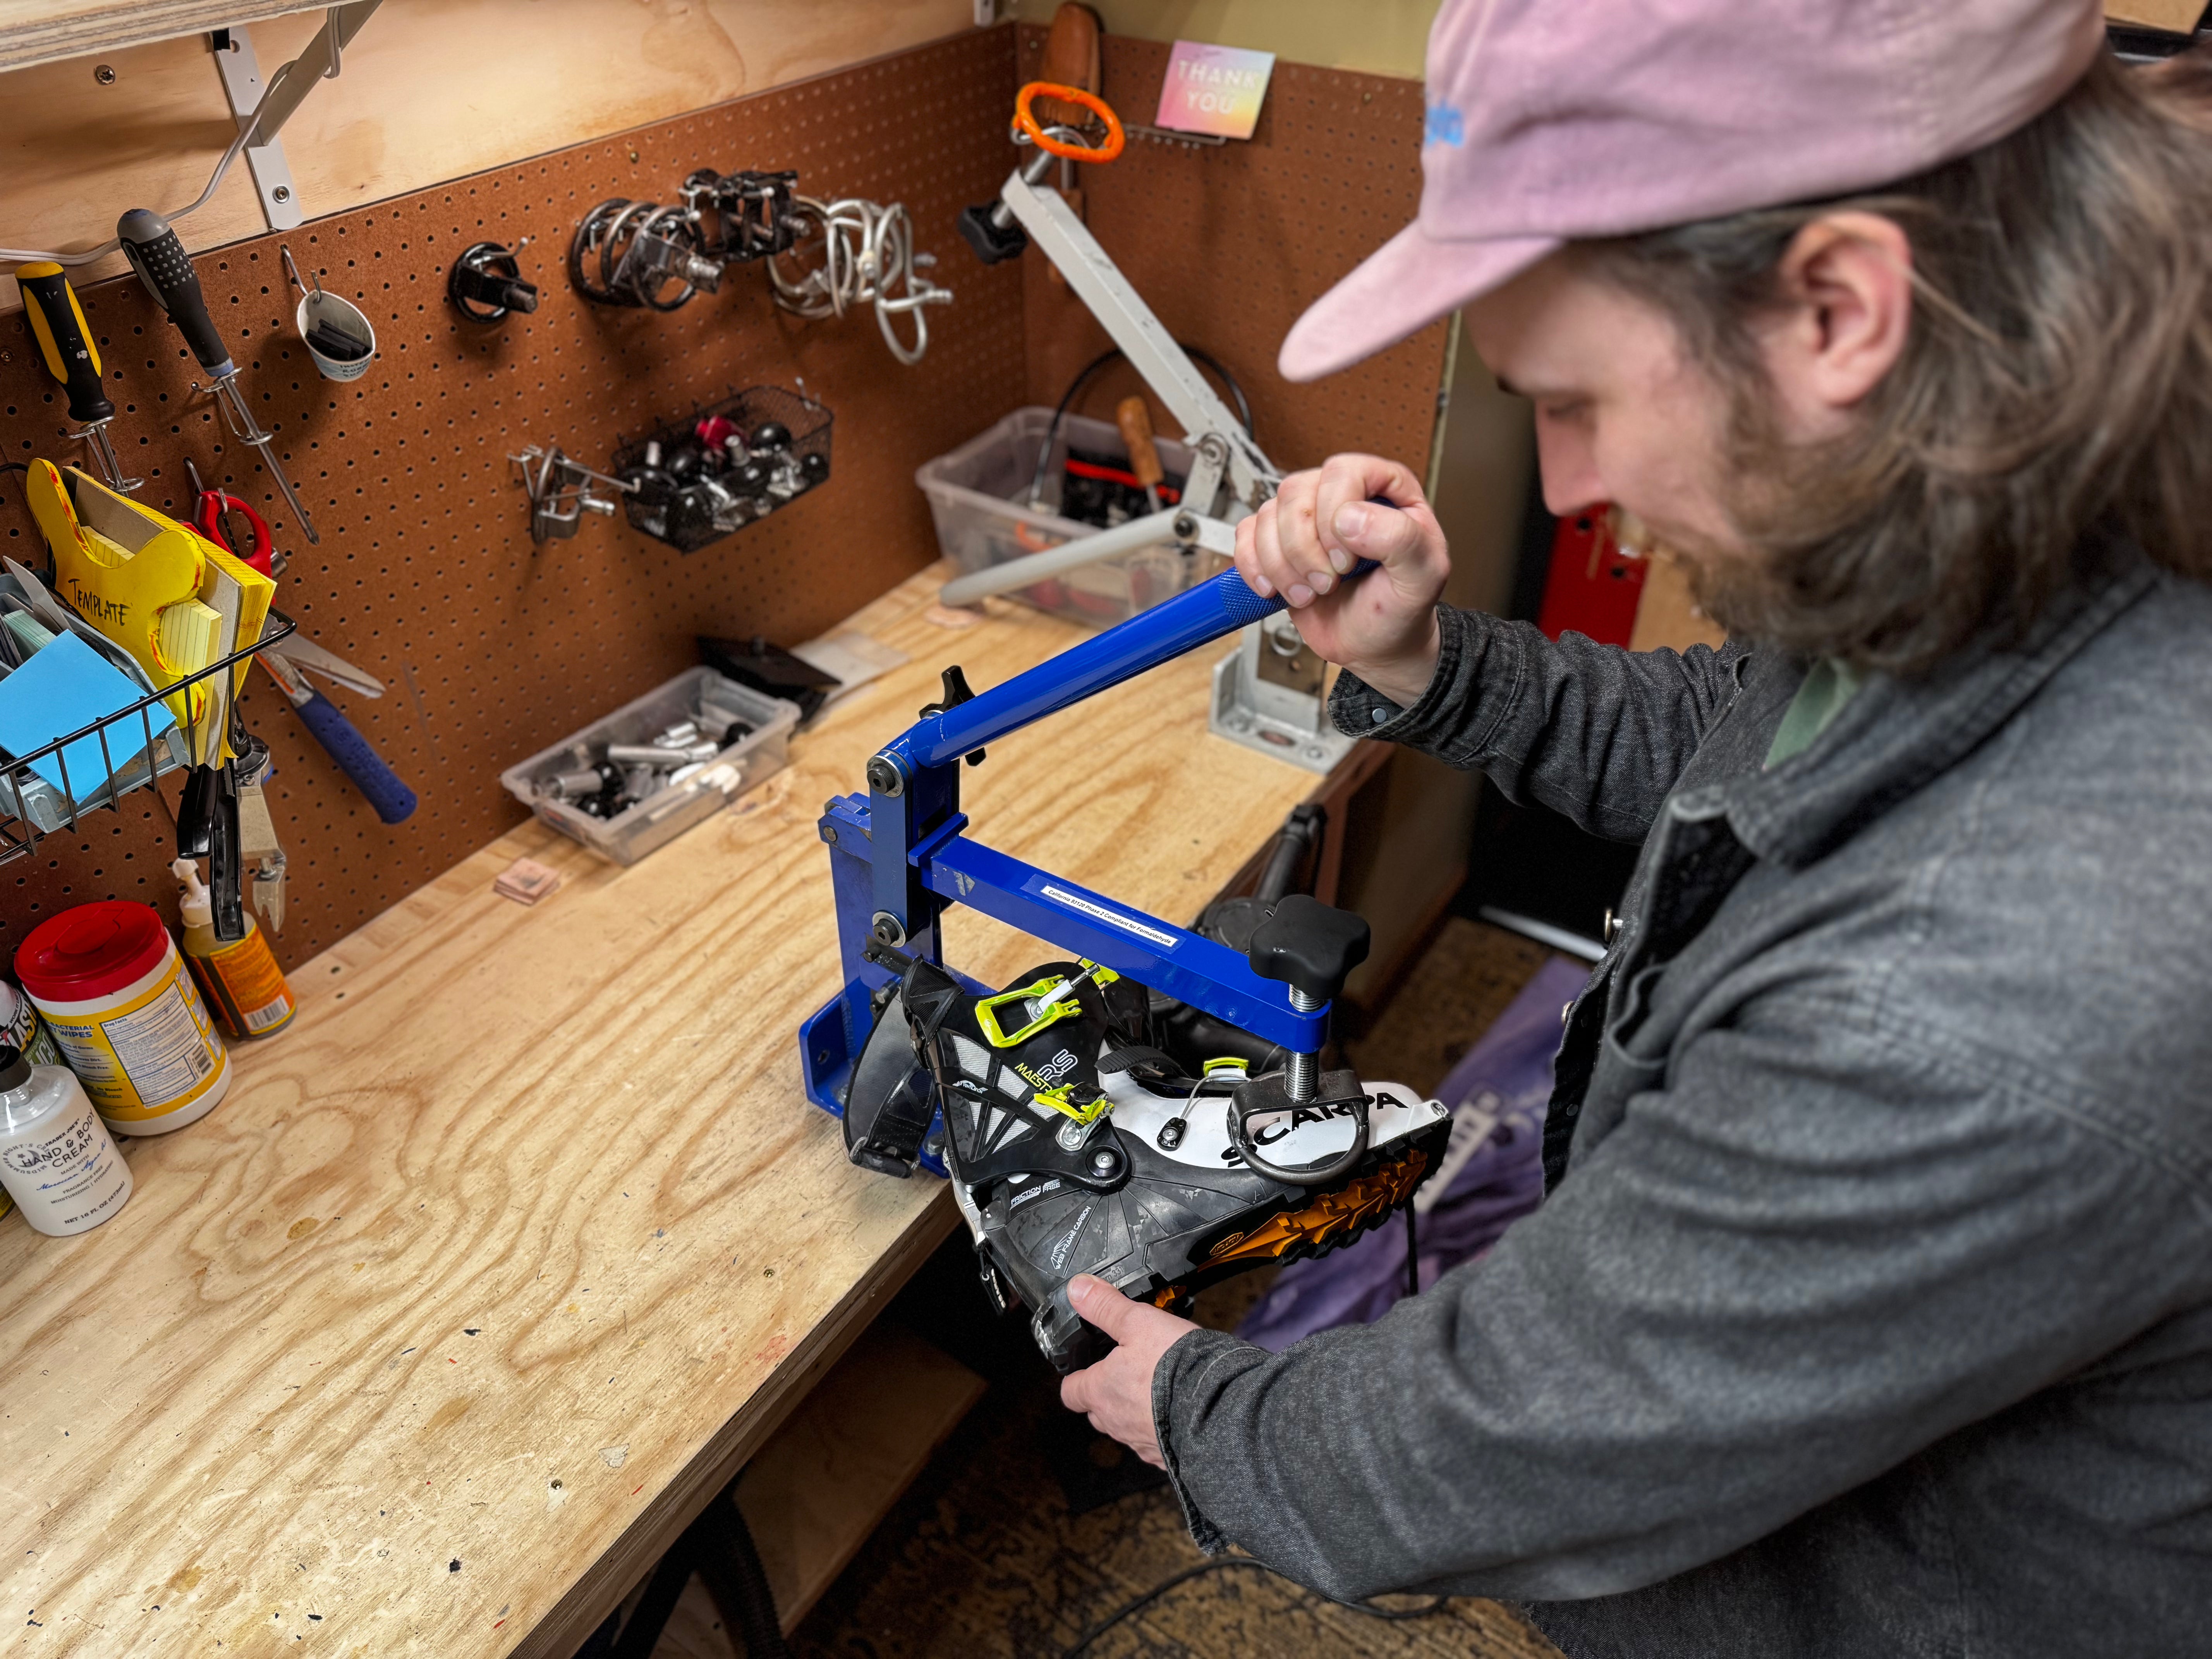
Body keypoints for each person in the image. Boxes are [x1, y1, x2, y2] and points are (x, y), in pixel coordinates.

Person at [1054, 0, 2212, 1653]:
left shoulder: (1992, 995)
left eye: (1578, 392)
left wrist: (1207, 1415)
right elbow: (1737, 747)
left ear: (1836, 308)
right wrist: (1425, 663)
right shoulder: (2028, 530)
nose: (1572, 483)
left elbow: (1508, 1451)